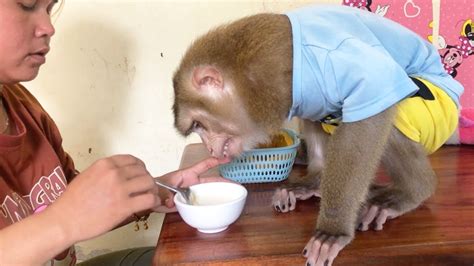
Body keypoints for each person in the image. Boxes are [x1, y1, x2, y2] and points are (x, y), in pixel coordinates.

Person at [0, 0, 229, 265]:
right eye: (27, 5)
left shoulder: (21, 104)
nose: (48, 27)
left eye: (49, 9)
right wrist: (64, 220)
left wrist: (155, 191)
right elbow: (66, 214)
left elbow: (69, 202)